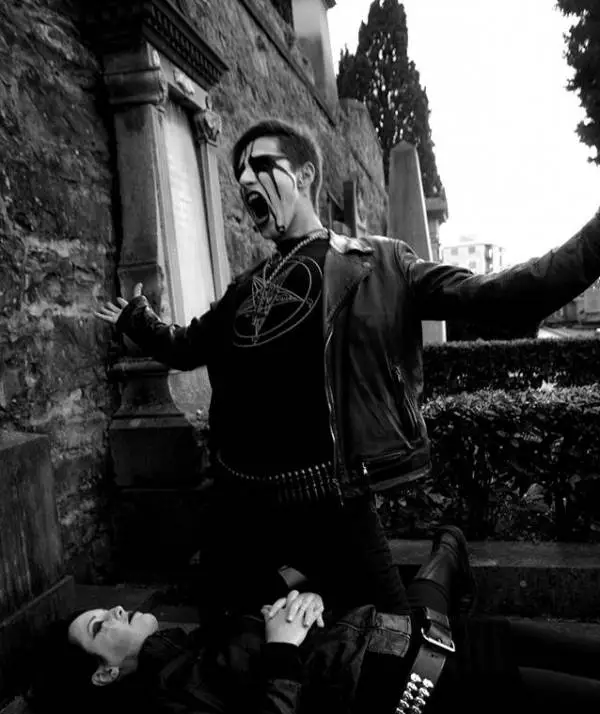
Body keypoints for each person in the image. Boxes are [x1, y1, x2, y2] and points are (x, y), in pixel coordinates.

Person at [96, 118, 600, 618]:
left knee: (397, 642)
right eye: (240, 173)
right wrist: (138, 320)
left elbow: (503, 294)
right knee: (234, 637)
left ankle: (446, 560)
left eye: (261, 164)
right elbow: (187, 347)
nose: (246, 179)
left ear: (305, 174)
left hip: (332, 507)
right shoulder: (244, 290)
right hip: (243, 509)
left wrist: (594, 244)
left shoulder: (380, 265)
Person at [27, 528, 600, 714]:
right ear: (104, 674)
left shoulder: (189, 646)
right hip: (452, 701)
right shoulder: (166, 706)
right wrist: (282, 648)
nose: (116, 611)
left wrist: (306, 604)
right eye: (99, 626)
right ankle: (447, 554)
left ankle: (448, 554)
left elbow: (305, 641)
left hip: (441, 638)